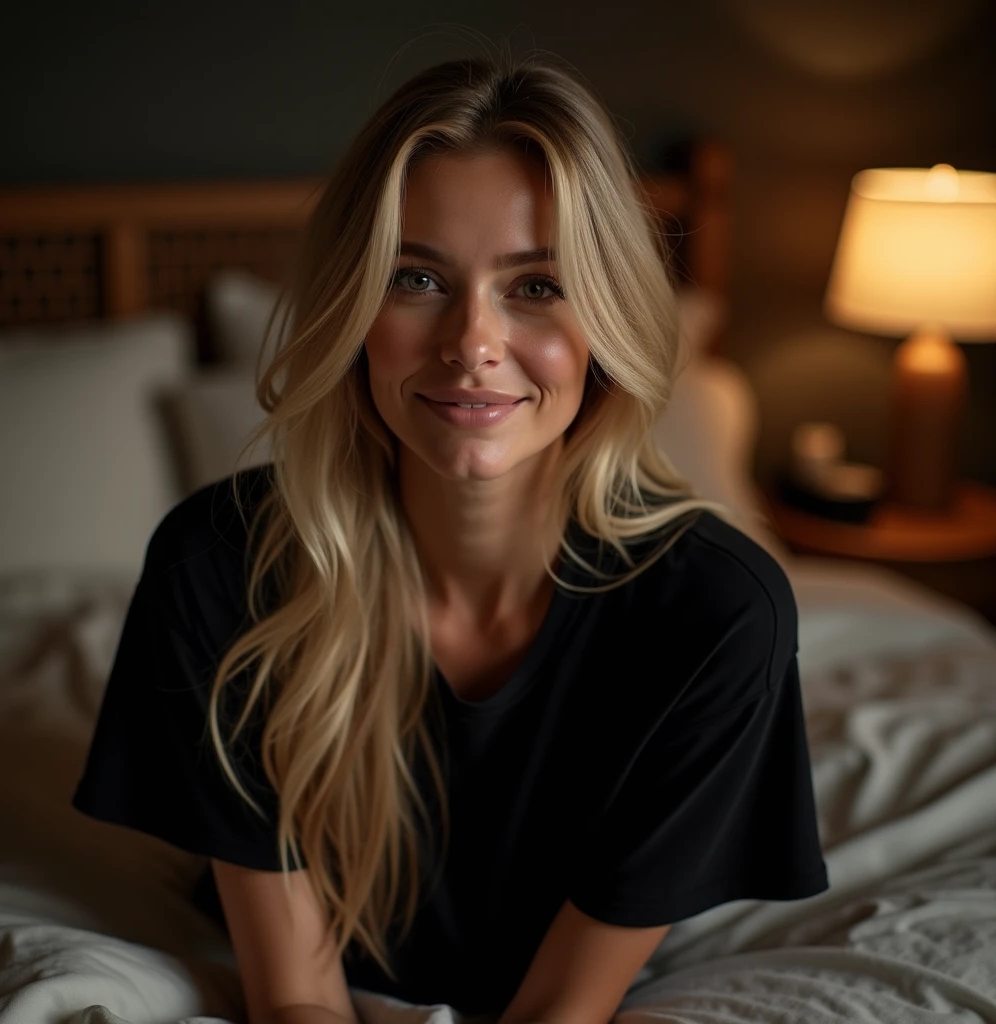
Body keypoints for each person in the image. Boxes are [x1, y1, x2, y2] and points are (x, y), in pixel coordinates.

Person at [72, 51, 829, 1024]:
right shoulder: (218, 567)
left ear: (606, 319)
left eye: (538, 286)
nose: (471, 341)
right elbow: (295, 998)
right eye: (416, 276)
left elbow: (561, 1011)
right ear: (352, 307)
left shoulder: (719, 612)